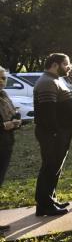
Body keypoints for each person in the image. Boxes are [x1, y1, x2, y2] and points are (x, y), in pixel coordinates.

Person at [33, 53, 72, 216]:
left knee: (55, 168)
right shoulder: (47, 82)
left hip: (60, 133)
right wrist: (55, 132)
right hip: (52, 134)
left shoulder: (55, 80)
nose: (69, 67)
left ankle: (50, 199)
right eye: (67, 64)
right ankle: (44, 205)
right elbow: (47, 113)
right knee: (50, 167)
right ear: (55, 64)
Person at [0, 66, 23, 231]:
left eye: (3, 78)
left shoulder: (4, 95)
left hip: (5, 143)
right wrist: (3, 125)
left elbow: (10, 113)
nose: (2, 81)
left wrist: (16, 120)